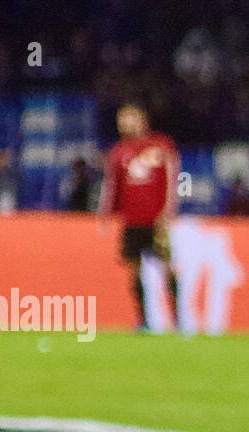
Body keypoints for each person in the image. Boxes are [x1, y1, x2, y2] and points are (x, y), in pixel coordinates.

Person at [98, 102, 181, 334]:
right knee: (134, 271)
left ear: (141, 119)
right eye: (121, 119)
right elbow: (112, 186)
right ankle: (143, 320)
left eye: (128, 118)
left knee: (168, 267)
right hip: (131, 221)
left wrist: (168, 210)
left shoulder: (161, 145)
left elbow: (172, 179)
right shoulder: (118, 152)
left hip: (156, 220)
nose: (124, 123)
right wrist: (105, 214)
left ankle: (178, 320)